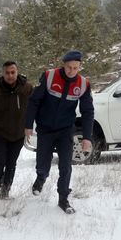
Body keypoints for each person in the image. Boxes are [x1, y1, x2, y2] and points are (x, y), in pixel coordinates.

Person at [24, 50, 94, 214]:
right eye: (69, 67)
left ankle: (63, 199)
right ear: (64, 64)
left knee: (66, 166)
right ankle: (41, 177)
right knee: (43, 161)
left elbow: (88, 111)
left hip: (65, 130)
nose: (72, 71)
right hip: (45, 128)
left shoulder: (83, 84)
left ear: (79, 66)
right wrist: (28, 125)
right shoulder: (49, 76)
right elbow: (34, 101)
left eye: (75, 68)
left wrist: (87, 137)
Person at [0, 61, 33, 199]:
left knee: (11, 163)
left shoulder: (27, 88)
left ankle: (5, 190)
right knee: (0, 161)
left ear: (17, 72)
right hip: (1, 133)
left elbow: (34, 109)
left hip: (18, 134)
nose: (10, 75)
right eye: (7, 73)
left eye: (12, 72)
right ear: (3, 74)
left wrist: (30, 127)